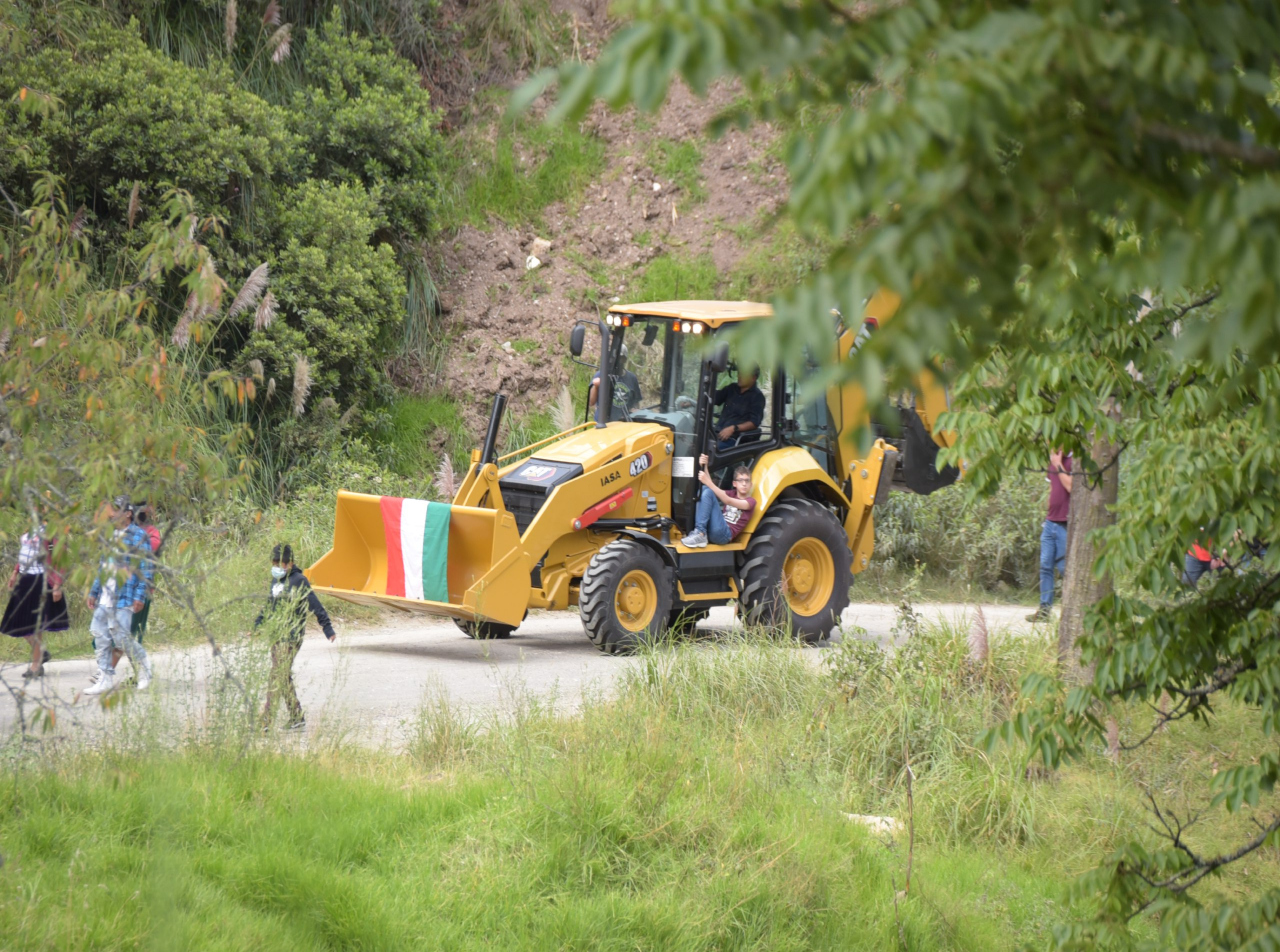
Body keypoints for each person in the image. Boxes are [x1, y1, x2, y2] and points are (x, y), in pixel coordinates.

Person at [254, 543, 335, 731]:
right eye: (274, 563)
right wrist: (257, 625)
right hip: (276, 634)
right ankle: (297, 717)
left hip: (291, 636)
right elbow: (268, 606)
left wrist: (327, 628)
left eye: (280, 563)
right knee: (282, 676)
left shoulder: (299, 580)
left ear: (290, 563)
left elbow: (315, 604)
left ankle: (266, 721)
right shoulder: (276, 581)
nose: (276, 567)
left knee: (276, 675)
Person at [85, 496, 154, 695]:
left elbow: (145, 568)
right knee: (100, 635)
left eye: (116, 510)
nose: (112, 514)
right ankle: (105, 679)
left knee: (121, 638)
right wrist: (93, 591)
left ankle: (144, 670)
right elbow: (102, 566)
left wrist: (139, 596)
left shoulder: (139, 536)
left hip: (125, 595)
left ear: (128, 513)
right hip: (105, 596)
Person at [1, 523, 68, 679]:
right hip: (25, 579)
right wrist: (15, 572)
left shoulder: (51, 531)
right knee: (17, 621)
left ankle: (36, 665)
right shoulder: (30, 527)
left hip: (40, 580)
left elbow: (60, 559)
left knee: (34, 625)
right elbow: (26, 552)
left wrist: (57, 585)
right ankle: (42, 653)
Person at [112, 502, 162, 674]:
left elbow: (153, 547)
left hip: (140, 591)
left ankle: (107, 673)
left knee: (130, 633)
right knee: (121, 633)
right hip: (120, 590)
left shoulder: (149, 533)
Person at [1027, 449, 1072, 623]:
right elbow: (1052, 488)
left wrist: (1058, 464)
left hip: (1065, 524)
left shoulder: (1073, 461)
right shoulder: (1052, 461)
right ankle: (1045, 610)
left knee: (1064, 568)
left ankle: (1070, 612)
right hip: (1051, 522)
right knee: (1045, 566)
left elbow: (1070, 486)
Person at [682, 455, 757, 548]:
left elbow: (728, 501)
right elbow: (713, 488)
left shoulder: (750, 502)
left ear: (751, 484)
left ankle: (700, 533)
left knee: (708, 489)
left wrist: (708, 482)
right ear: (734, 483)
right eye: (741, 480)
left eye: (747, 481)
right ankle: (700, 532)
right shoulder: (731, 493)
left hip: (725, 535)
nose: (744, 484)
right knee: (704, 489)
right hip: (716, 528)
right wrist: (704, 465)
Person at [713, 367, 766, 450]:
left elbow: (754, 423)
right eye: (739, 373)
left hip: (734, 440)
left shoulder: (757, 397)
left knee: (710, 450)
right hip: (718, 433)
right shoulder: (732, 388)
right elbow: (715, 399)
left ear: (753, 378)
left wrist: (733, 428)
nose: (739, 376)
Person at [588, 344, 641, 421]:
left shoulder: (632, 378)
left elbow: (636, 403)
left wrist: (634, 412)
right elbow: (591, 402)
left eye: (621, 358)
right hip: (602, 424)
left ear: (625, 359)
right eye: (615, 357)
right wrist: (596, 386)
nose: (617, 360)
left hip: (623, 425)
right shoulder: (601, 375)